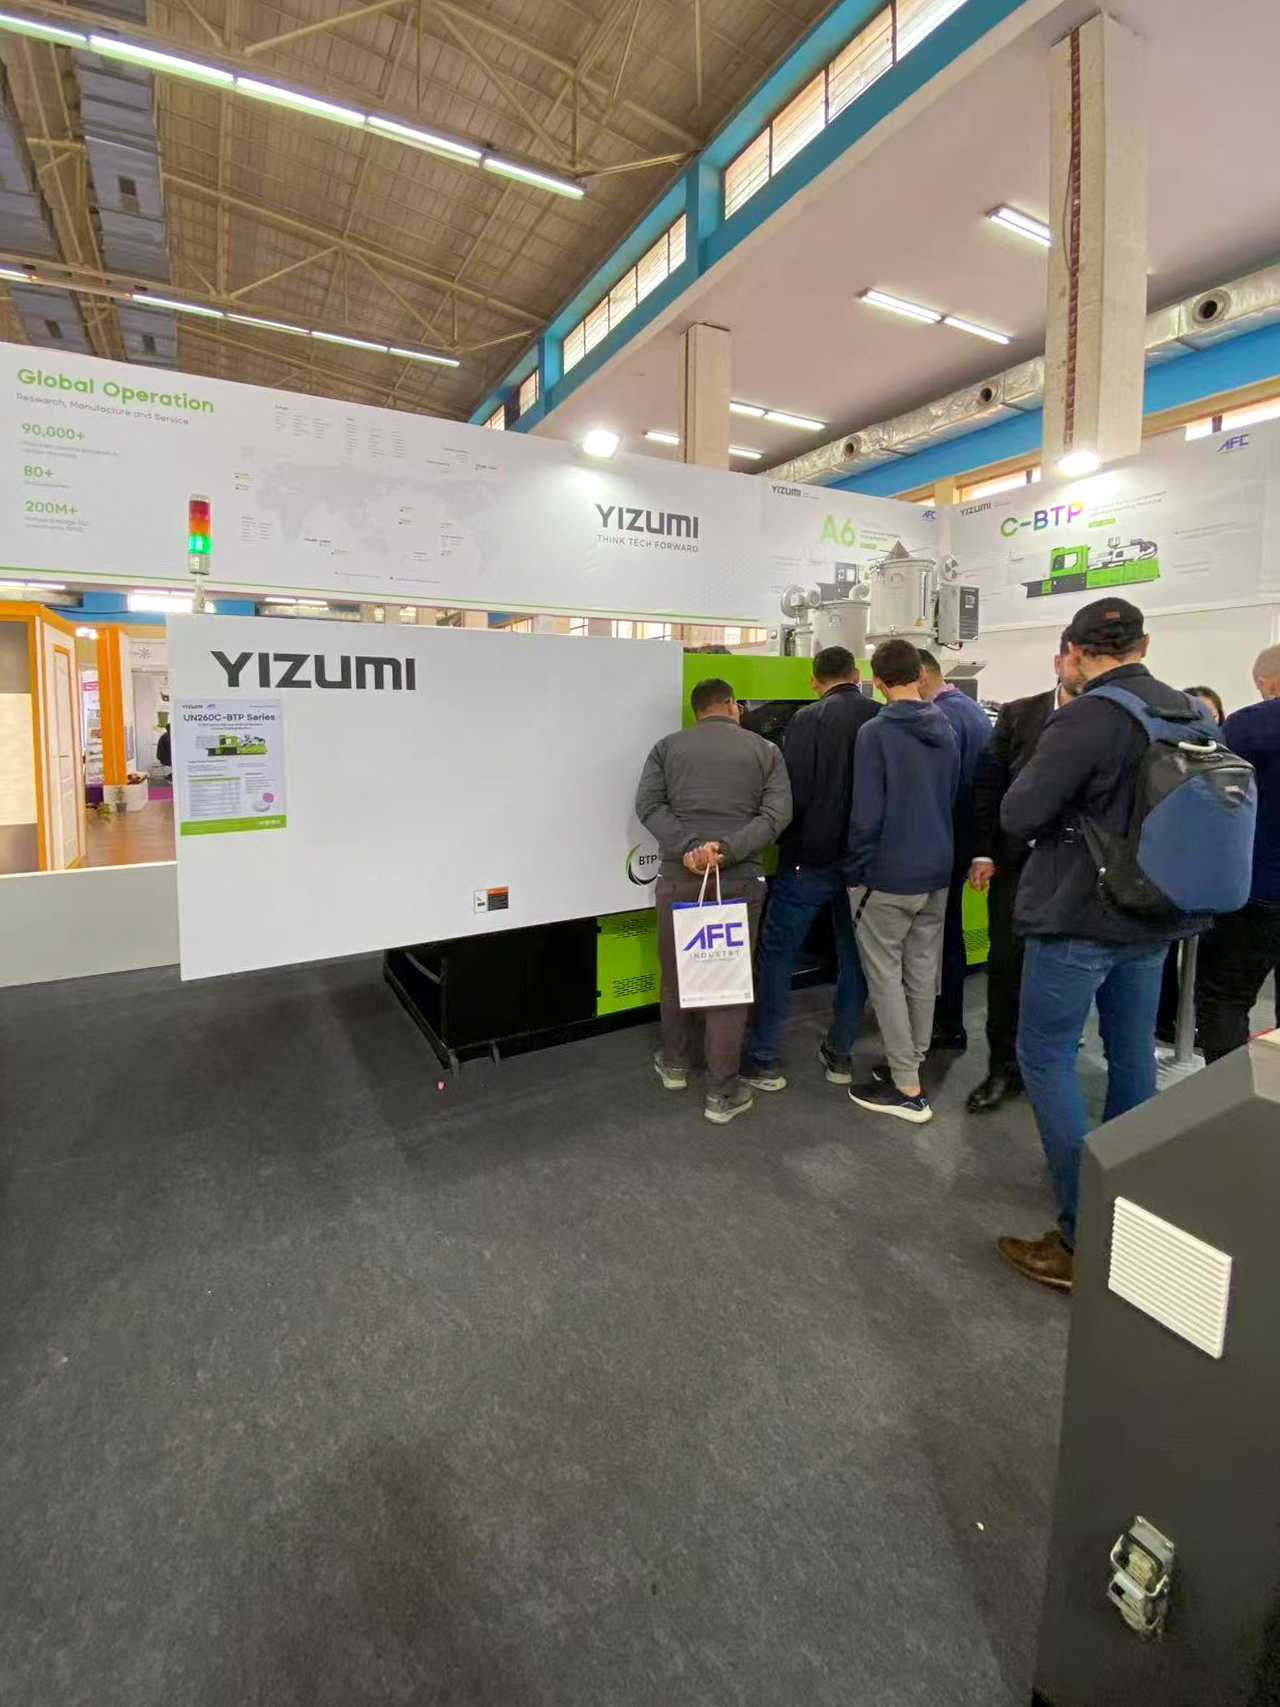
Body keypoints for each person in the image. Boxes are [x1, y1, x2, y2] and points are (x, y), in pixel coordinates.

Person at [995, 599, 1209, 1292]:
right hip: (1157, 913)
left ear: (1076, 652)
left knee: (1046, 1056)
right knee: (1130, 1052)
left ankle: (1083, 1232)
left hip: (1080, 915)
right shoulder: (1190, 712)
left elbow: (1020, 811)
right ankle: (1127, 1203)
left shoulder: (1087, 716)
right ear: (1143, 644)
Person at [636, 677, 792, 1125]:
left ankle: (675, 1065)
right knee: (727, 981)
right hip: (738, 880)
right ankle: (722, 1093)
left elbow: (648, 806)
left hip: (678, 878)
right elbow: (777, 815)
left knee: (676, 974)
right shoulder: (766, 751)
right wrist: (726, 850)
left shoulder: (666, 748)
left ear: (697, 710)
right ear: (731, 705)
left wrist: (690, 848)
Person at [739, 647, 877, 1091]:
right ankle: (839, 1053)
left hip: (808, 860)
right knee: (854, 957)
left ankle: (763, 1057)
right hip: (862, 863)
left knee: (778, 954)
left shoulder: (807, 719)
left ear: (814, 681)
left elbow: (791, 791)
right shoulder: (880, 716)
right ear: (855, 674)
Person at [966, 631, 1083, 1112]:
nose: (1084, 669)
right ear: (1059, 662)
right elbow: (989, 786)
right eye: (1077, 659)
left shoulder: (1113, 720)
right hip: (1017, 865)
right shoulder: (1019, 715)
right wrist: (983, 852)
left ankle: (1053, 1065)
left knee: (1068, 971)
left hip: (1081, 870)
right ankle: (1002, 1069)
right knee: (1007, 968)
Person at [845, 639, 960, 1124]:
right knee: (920, 970)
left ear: (877, 680)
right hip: (937, 869)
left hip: (888, 875)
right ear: (920, 674)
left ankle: (907, 1087)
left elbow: (866, 814)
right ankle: (911, 1060)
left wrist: (857, 870)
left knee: (885, 977)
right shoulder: (946, 726)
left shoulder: (875, 733)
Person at [1195, 646, 1280, 1062]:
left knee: (1225, 997)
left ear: (1269, 683)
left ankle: (1228, 1092)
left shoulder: (1248, 726)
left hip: (1257, 888)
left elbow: (1212, 798)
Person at [918, 651, 994, 1051]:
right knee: (951, 930)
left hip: (944, 840)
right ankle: (949, 1019)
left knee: (937, 934)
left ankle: (943, 1023)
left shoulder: (940, 717)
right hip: (968, 838)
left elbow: (935, 788)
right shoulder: (972, 710)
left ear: (921, 675)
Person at [1155, 684, 1226, 1042]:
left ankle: (1193, 1024)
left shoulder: (1230, 767)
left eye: (1210, 714)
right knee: (1164, 957)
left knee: (1207, 961)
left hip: (1210, 876)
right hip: (1165, 875)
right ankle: (1165, 1021)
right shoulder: (1160, 762)